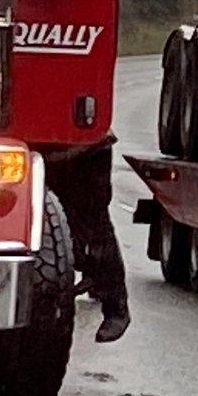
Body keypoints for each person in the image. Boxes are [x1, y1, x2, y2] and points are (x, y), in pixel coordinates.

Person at [45, 134, 131, 343]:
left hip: (88, 147)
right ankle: (87, 275)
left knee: (95, 227)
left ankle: (116, 309)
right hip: (42, 148)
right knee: (51, 226)